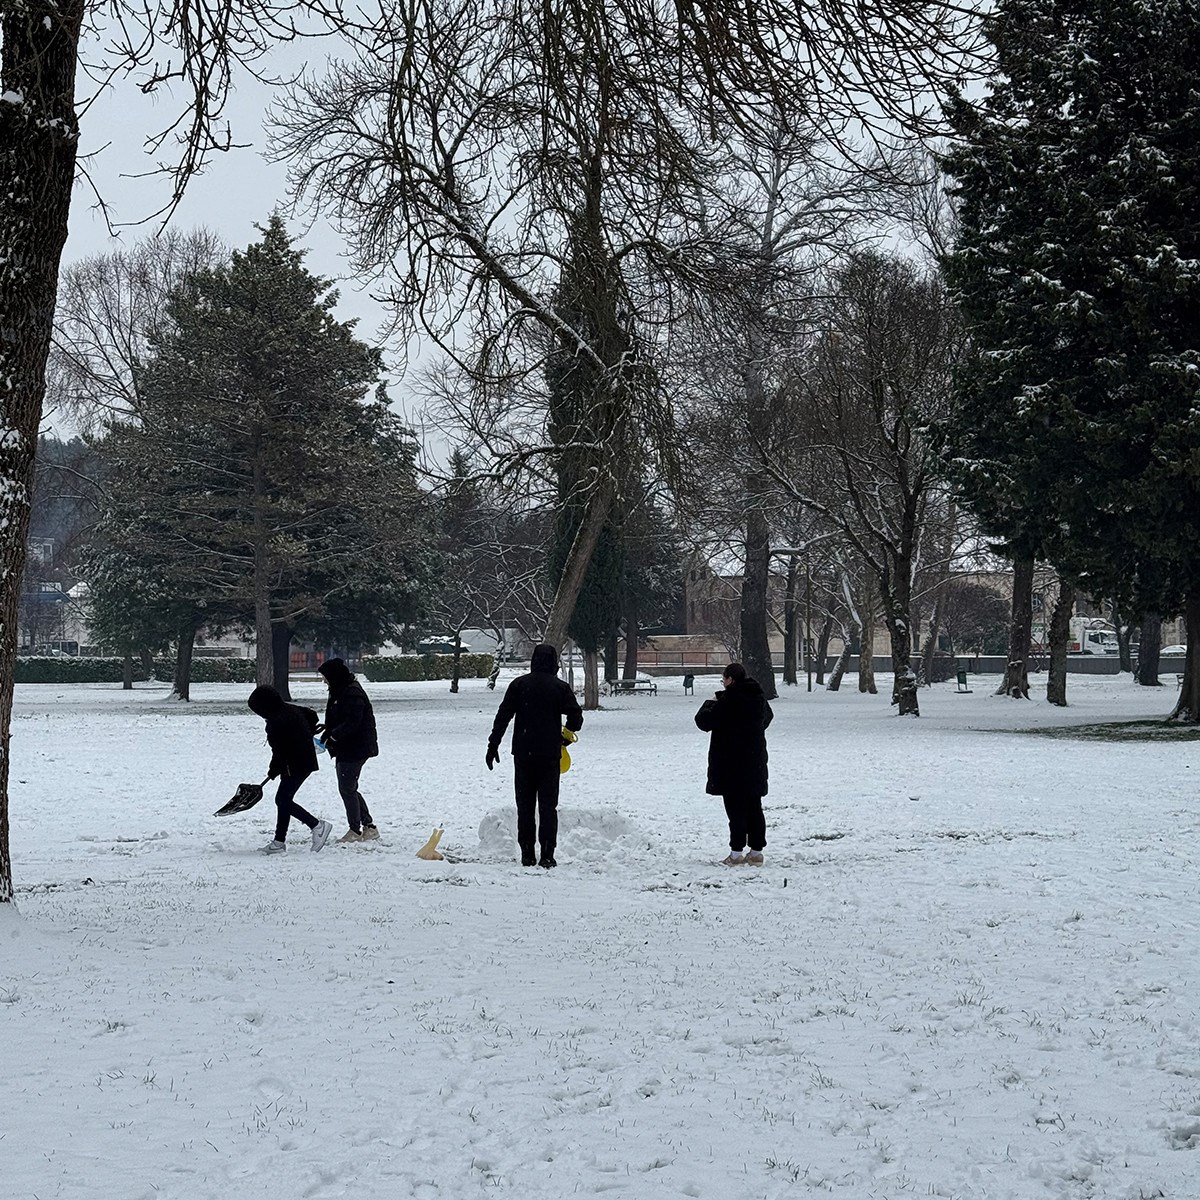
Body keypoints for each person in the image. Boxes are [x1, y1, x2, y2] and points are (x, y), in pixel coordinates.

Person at [486, 643, 583, 868]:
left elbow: (503, 717)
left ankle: (527, 852)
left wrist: (493, 745)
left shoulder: (519, 685)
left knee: (525, 805)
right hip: (550, 754)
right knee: (548, 806)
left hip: (523, 753)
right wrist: (566, 736)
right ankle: (547, 854)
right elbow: (576, 718)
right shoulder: (560, 688)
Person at [694, 662, 774, 865]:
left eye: (724, 679)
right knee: (754, 806)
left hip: (730, 762)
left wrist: (711, 701)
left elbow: (703, 721)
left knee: (735, 808)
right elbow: (767, 718)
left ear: (730, 679)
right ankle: (756, 852)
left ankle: (736, 853)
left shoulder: (727, 701)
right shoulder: (758, 698)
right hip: (754, 760)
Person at [247, 684, 332, 855]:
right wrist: (306, 732)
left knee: (283, 800)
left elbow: (279, 752)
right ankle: (279, 842)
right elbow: (311, 715)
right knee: (283, 799)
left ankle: (317, 825)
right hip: (303, 760)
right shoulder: (289, 709)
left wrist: (273, 770)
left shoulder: (276, 722)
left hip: (295, 764)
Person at [317, 657, 380, 843]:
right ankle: (368, 826)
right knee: (349, 788)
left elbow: (353, 721)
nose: (324, 680)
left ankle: (355, 829)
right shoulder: (340, 690)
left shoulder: (351, 693)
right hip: (348, 746)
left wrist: (334, 735)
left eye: (325, 677)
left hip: (355, 747)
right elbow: (339, 717)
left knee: (347, 788)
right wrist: (327, 731)